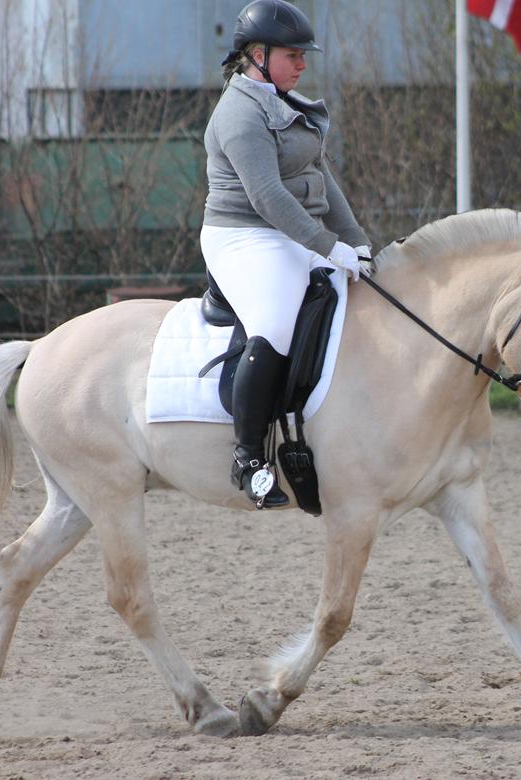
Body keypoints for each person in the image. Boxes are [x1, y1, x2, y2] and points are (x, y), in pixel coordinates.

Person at [202, 0, 371, 509]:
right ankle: (249, 457)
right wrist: (328, 246)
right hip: (243, 235)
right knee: (274, 322)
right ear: (257, 55)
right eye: (292, 55)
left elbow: (322, 180)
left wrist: (356, 240)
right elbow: (268, 197)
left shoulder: (285, 103)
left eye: (303, 55)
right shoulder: (239, 112)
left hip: (290, 232)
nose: (302, 64)